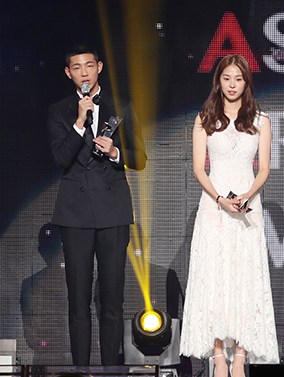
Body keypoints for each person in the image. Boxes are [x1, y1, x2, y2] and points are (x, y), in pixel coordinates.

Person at [179, 54, 279, 377]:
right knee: (216, 276)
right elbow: (198, 168)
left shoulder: (261, 120)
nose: (232, 85)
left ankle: (241, 354)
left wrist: (248, 194)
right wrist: (221, 199)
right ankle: (218, 355)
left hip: (248, 209)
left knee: (246, 278)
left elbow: (262, 169)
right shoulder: (204, 118)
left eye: (238, 79)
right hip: (214, 207)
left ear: (246, 81)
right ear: (218, 81)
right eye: (226, 79)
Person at [47, 45, 147, 365]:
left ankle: (110, 370)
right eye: (77, 68)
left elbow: (139, 158)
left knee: (111, 300)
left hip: (112, 211)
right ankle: (80, 369)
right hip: (74, 212)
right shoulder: (59, 111)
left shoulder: (122, 108)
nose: (85, 73)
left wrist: (116, 152)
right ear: (69, 73)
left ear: (99, 67)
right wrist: (79, 123)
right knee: (78, 301)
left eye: (89, 66)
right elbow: (61, 158)